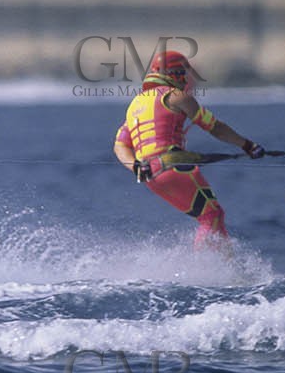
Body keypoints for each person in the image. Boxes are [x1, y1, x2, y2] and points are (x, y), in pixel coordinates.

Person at [112, 50, 267, 247]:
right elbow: (216, 128)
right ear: (174, 74)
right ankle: (212, 269)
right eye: (185, 73)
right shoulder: (177, 96)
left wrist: (135, 166)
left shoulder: (135, 104)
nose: (189, 80)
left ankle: (210, 268)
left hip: (151, 176)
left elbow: (120, 145)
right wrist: (248, 145)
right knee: (213, 215)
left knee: (207, 217)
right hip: (173, 169)